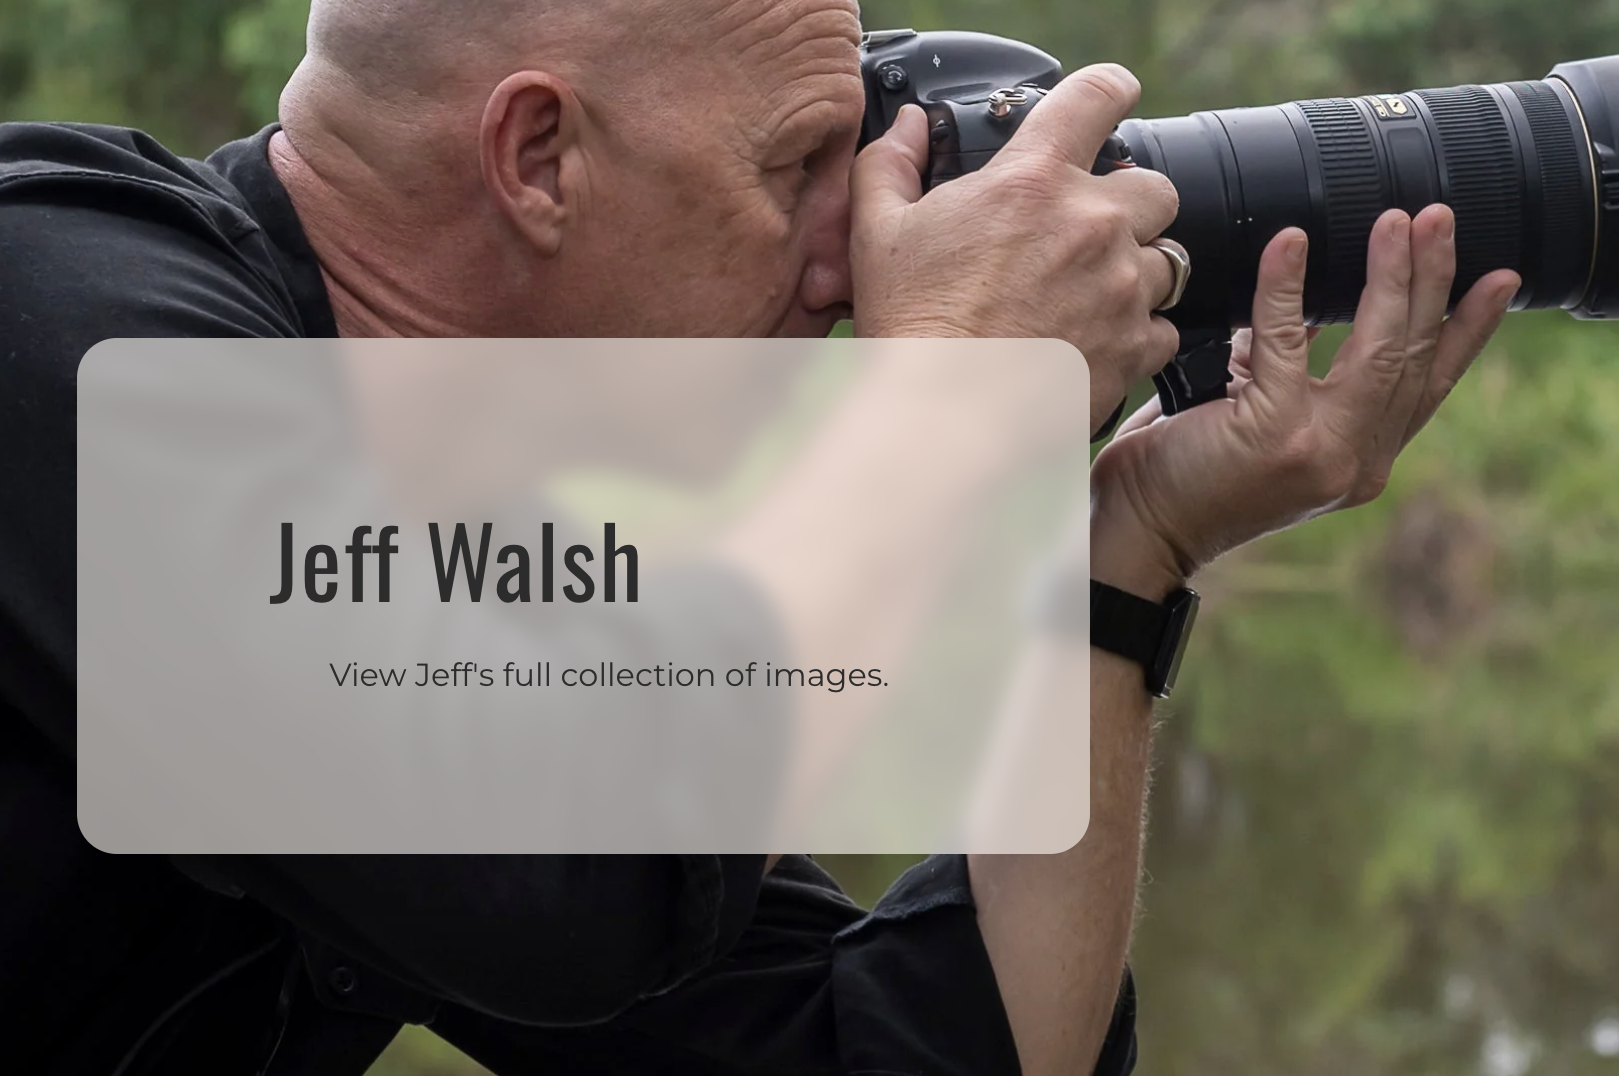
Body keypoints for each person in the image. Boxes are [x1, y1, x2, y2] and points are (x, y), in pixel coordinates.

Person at [0, 0, 1520, 1073]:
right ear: (537, 157)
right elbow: (568, 883)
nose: (843, 262)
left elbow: (904, 1057)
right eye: (798, 168)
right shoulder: (63, 318)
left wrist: (1124, 543)